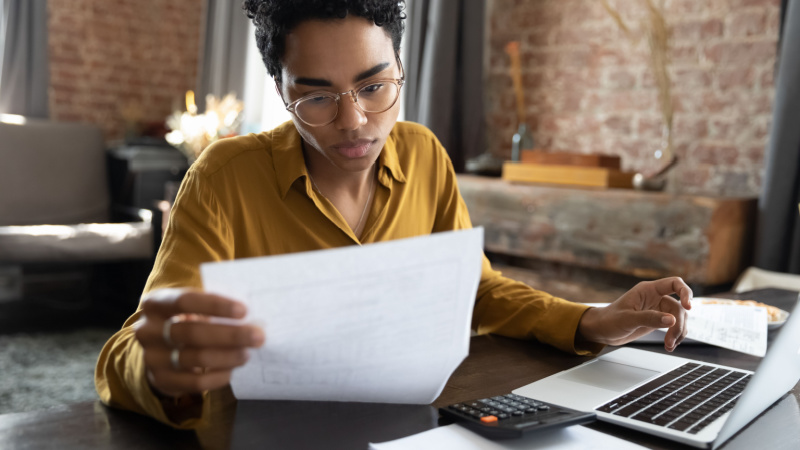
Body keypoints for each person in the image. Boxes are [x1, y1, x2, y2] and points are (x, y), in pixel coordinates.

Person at [95, 0, 692, 429]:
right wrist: (159, 370)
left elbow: (477, 292)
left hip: (415, 425)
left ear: (400, 70)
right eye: (318, 96)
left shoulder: (425, 155)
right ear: (282, 93)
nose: (354, 121)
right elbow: (131, 347)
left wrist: (590, 320)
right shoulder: (225, 178)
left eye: (375, 86)